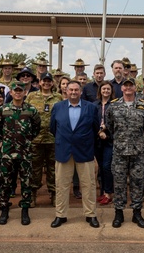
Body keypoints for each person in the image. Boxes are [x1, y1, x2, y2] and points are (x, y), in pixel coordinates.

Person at [49, 80, 102, 228]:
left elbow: (95, 128)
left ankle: (90, 215)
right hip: (63, 151)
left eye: (76, 90)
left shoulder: (90, 108)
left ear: (80, 92)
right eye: (70, 90)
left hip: (84, 151)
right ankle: (61, 215)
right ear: (65, 91)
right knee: (61, 185)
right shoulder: (58, 107)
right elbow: (53, 128)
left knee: (88, 184)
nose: (73, 92)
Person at [104, 77, 144, 228]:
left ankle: (137, 213)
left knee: (137, 183)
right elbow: (110, 126)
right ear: (122, 88)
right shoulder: (113, 106)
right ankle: (119, 213)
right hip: (119, 152)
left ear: (135, 88)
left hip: (138, 152)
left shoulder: (143, 106)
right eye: (126, 86)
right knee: (119, 184)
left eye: (131, 85)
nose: (128, 88)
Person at [0, 82, 40, 225]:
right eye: (15, 91)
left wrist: (26, 140)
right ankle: (4, 209)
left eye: (20, 91)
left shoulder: (31, 110)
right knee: (5, 182)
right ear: (11, 93)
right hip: (7, 153)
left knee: (26, 182)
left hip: (25, 152)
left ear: (24, 93)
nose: (17, 93)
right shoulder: (3, 109)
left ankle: (25, 210)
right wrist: (0, 141)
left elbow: (36, 127)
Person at [26, 72, 62, 207]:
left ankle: (53, 194)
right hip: (36, 139)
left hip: (53, 138)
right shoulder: (31, 96)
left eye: (49, 81)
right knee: (35, 168)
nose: (46, 83)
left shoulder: (58, 97)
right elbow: (26, 114)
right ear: (40, 82)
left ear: (52, 83)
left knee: (53, 168)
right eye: (44, 81)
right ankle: (33, 194)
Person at [94, 81, 116, 206]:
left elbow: (116, 122)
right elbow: (92, 120)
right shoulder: (94, 104)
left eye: (108, 89)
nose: (106, 91)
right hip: (97, 139)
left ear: (111, 91)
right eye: (104, 89)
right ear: (100, 91)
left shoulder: (114, 105)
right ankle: (103, 192)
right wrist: (99, 132)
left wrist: (105, 131)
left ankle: (109, 193)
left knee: (107, 166)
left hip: (109, 139)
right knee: (101, 166)